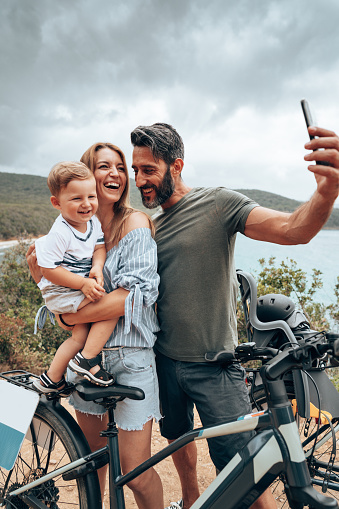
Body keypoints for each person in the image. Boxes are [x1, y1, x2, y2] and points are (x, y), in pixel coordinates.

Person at [128, 122, 339, 509]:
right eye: (135, 170)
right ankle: (190, 496)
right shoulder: (149, 228)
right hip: (163, 360)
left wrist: (327, 189)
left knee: (248, 473)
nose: (139, 180)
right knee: (177, 434)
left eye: (148, 170)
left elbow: (293, 229)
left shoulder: (218, 204)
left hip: (214, 366)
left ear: (176, 166)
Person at [26, 143, 163, 509]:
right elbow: (61, 303)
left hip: (129, 358)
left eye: (121, 167)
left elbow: (133, 297)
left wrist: (70, 316)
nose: (116, 173)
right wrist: (54, 299)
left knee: (135, 469)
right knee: (93, 463)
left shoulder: (134, 223)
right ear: (87, 174)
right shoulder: (75, 230)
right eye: (104, 166)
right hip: (89, 360)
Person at [32, 161, 117, 394]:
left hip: (77, 286)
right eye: (76, 198)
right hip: (61, 290)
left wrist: (96, 269)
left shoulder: (92, 222)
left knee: (79, 337)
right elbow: (48, 269)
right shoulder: (60, 232)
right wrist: (82, 283)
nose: (87, 204)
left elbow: (99, 248)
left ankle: (51, 379)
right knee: (110, 307)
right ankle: (86, 360)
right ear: (56, 203)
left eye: (91, 196)